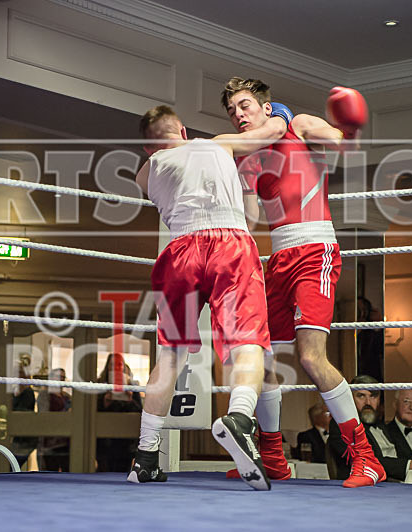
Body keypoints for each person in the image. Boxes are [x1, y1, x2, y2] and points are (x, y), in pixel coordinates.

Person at [221, 77, 385, 487]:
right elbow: (251, 216)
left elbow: (341, 145)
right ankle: (274, 459)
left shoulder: (299, 125)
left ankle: (366, 458)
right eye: (232, 111)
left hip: (315, 251)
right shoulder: (250, 157)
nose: (238, 114)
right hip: (276, 259)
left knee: (311, 358)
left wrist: (349, 129)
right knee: (266, 361)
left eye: (244, 106)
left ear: (264, 105)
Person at [127, 103, 289, 491]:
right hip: (229, 244)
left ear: (149, 146)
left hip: (178, 254)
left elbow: (160, 168)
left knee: (169, 354)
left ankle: (146, 458)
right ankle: (239, 418)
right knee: (246, 342)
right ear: (183, 131)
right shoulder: (218, 145)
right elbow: (270, 134)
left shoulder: (146, 172)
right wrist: (280, 113)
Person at [96, 354, 143, 472]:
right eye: (112, 364)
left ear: (124, 367)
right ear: (107, 367)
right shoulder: (100, 385)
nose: (116, 368)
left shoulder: (132, 386)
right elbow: (90, 412)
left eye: (119, 364)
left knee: (123, 469)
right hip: (104, 438)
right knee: (104, 470)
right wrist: (105, 401)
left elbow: (139, 412)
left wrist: (130, 399)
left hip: (126, 440)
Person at [38, 368, 72, 472]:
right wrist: (65, 414)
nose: (60, 380)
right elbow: (45, 417)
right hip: (50, 444)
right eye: (58, 377)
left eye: (62, 377)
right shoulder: (45, 395)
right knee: (50, 472)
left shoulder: (67, 397)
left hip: (66, 442)